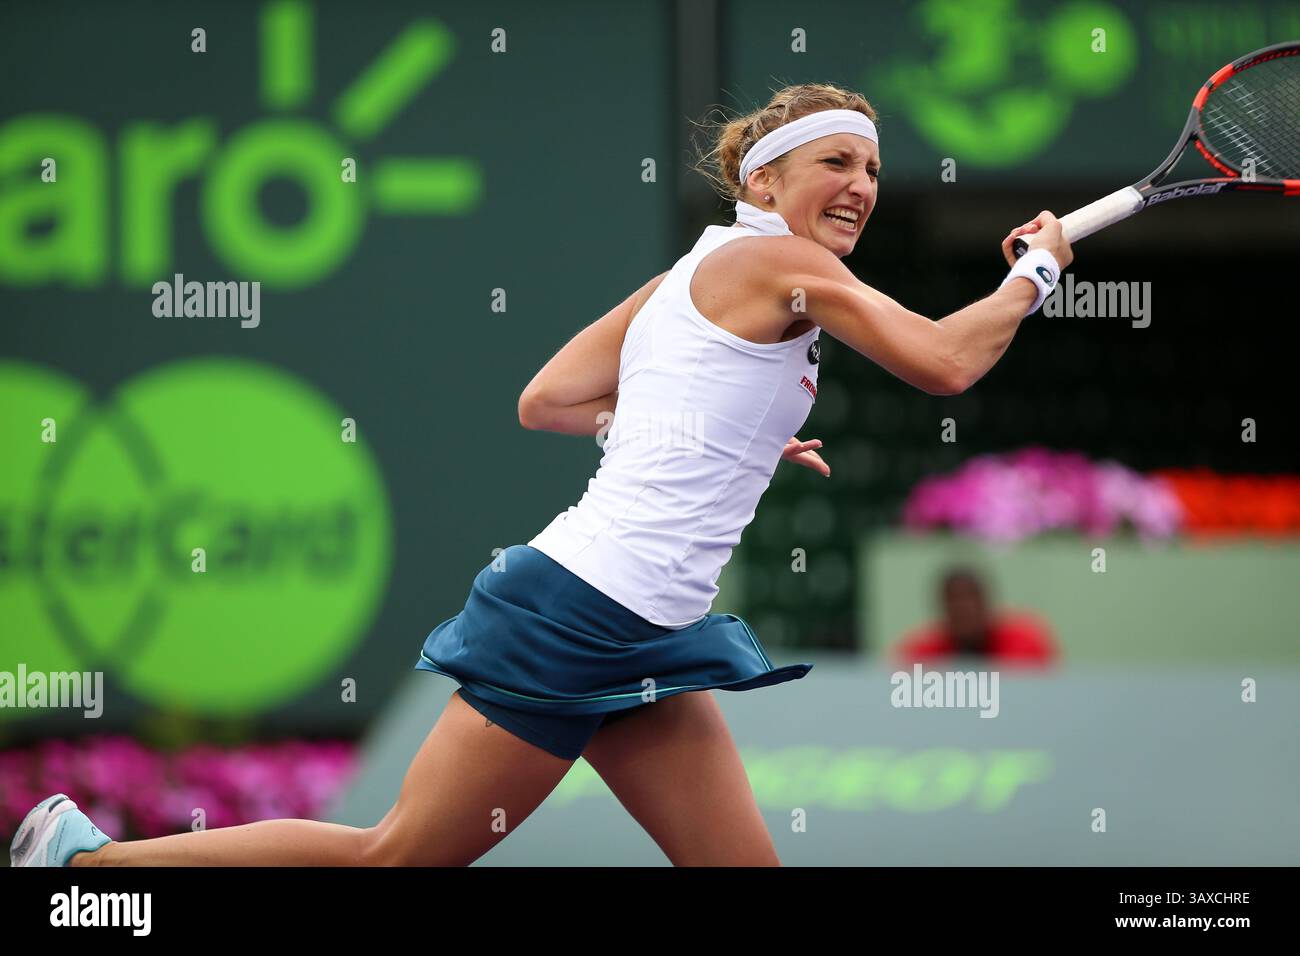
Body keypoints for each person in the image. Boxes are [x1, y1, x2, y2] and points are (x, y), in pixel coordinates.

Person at [11, 82, 1072, 868]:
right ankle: (87, 867)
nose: (859, 187)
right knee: (395, 858)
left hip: (638, 624)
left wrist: (717, 434)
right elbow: (943, 360)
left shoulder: (694, 270)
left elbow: (550, 398)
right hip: (586, 610)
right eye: (834, 162)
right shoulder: (784, 264)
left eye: (873, 169)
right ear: (766, 179)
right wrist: (1034, 269)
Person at [891, 566, 1059, 666]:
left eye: (970, 598)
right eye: (953, 600)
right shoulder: (921, 653)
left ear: (986, 602)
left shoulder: (1024, 642)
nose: (963, 608)